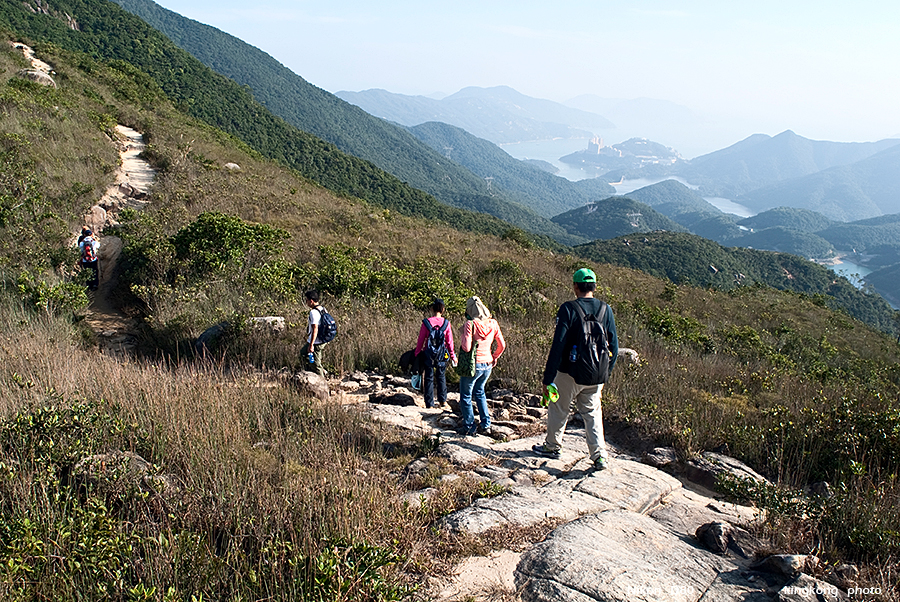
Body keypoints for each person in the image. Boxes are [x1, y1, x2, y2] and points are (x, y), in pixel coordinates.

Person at [532, 268, 619, 470]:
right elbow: (613, 346)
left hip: (568, 372)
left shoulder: (568, 309)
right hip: (596, 374)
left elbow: (558, 345)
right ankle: (599, 456)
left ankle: (553, 446)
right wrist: (606, 373)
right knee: (592, 413)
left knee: (559, 408)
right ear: (595, 287)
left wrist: (548, 378)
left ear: (575, 286)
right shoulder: (606, 310)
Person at [458, 296, 505, 436]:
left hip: (474, 365)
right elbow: (502, 345)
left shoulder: (470, 324)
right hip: (488, 364)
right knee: (480, 392)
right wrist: (494, 357)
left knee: (466, 395)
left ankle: (469, 426)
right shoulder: (493, 323)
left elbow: (466, 348)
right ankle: (486, 424)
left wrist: (462, 336)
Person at [414, 298, 457, 408]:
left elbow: (421, 340)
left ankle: (429, 404)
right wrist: (453, 356)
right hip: (442, 354)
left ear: (432, 308)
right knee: (441, 376)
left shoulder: (426, 322)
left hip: (428, 354)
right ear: (443, 309)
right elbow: (449, 342)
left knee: (428, 377)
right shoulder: (446, 323)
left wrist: (417, 353)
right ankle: (442, 401)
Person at [302, 290, 328, 378]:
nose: (306, 302)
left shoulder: (313, 312)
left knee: (316, 364)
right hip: (322, 339)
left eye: (307, 300)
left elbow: (315, 329)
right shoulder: (323, 309)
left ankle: (322, 383)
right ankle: (310, 373)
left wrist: (311, 344)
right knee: (303, 353)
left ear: (311, 301)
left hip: (316, 342)